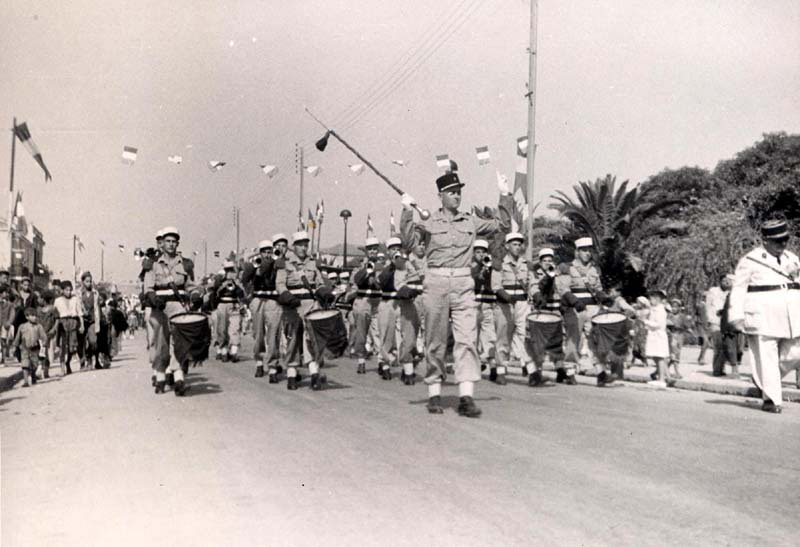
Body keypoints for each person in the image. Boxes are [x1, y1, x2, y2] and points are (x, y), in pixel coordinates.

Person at [400, 169, 512, 417]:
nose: (456, 196)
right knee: (435, 339)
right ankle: (435, 394)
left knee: (466, 340)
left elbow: (502, 225)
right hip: (436, 282)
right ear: (440, 195)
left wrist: (504, 195)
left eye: (459, 192)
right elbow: (408, 243)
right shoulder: (428, 222)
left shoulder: (470, 221)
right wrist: (407, 212)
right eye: (451, 192)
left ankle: (466, 397)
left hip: (463, 283)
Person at [728, 219, 800, 414]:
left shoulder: (792, 258)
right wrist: (736, 316)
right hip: (762, 315)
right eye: (777, 241)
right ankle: (771, 399)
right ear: (765, 240)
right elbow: (738, 289)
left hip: (792, 315)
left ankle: (763, 378)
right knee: (765, 356)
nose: (782, 245)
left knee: (795, 353)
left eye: (785, 240)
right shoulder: (750, 260)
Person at [143, 226, 202, 396]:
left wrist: (196, 294)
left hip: (178, 307)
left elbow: (190, 285)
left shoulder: (184, 263)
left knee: (178, 342)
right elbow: (148, 287)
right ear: (163, 243)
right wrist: (153, 298)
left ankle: (178, 377)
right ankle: (160, 375)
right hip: (159, 307)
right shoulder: (153, 264)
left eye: (173, 241)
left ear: (177, 243)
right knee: (161, 343)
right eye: (167, 241)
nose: (170, 244)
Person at [276, 231, 332, 390]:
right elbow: (280, 284)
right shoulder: (284, 263)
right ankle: (292, 374)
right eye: (300, 245)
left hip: (310, 305)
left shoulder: (312, 263)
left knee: (310, 339)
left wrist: (323, 291)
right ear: (293, 247)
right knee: (293, 339)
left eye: (305, 245)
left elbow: (319, 282)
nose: (303, 248)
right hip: (293, 306)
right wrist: (287, 296)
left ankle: (314, 373)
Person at [530, 247, 578, 385]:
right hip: (542, 311)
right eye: (544, 261)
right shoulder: (535, 273)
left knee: (557, 342)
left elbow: (563, 289)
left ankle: (560, 370)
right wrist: (547, 278)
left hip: (555, 311)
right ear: (540, 262)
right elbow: (535, 288)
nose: (547, 263)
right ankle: (537, 372)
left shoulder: (558, 274)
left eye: (550, 260)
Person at [492, 232, 535, 386]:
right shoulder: (499, 265)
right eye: (514, 244)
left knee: (525, 336)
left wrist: (536, 294)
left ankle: (531, 370)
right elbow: (496, 286)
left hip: (522, 305)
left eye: (519, 244)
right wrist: (507, 297)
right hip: (505, 305)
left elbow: (533, 284)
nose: (517, 247)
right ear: (507, 246)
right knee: (503, 337)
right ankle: (501, 370)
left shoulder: (526, 265)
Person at [376, 237, 421, 384]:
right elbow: (381, 281)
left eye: (398, 248)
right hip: (388, 302)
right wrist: (393, 266)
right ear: (388, 252)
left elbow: (415, 279)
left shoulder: (407, 264)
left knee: (407, 335)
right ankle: (385, 363)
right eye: (392, 249)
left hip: (405, 302)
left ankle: (408, 369)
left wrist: (411, 289)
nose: (396, 251)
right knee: (386, 334)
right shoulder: (383, 265)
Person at [569, 237, 603, 374]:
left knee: (594, 337)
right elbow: (564, 289)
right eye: (584, 251)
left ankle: (596, 367)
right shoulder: (570, 269)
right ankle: (571, 366)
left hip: (592, 308)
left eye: (589, 251)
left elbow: (598, 287)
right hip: (576, 308)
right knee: (574, 337)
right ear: (577, 252)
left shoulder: (594, 270)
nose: (587, 253)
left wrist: (602, 296)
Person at [350, 237, 384, 374]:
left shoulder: (382, 266)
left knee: (380, 332)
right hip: (363, 301)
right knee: (361, 334)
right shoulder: (360, 266)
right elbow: (356, 280)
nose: (373, 251)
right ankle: (361, 360)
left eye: (375, 248)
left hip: (378, 301)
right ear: (366, 251)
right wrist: (367, 270)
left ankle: (382, 362)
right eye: (370, 249)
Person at [471, 240, 498, 381]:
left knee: (489, 335)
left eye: (483, 252)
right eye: (478, 252)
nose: (481, 255)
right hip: (473, 305)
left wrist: (488, 269)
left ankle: (492, 364)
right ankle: (474, 364)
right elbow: (473, 278)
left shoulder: (490, 265)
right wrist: (479, 271)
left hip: (487, 304)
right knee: (472, 336)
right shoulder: (470, 266)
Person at [212, 261, 245, 362]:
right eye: (228, 269)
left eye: (231, 269)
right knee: (222, 329)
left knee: (235, 328)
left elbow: (242, 294)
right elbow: (214, 293)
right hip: (222, 305)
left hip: (234, 305)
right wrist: (221, 284)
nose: (229, 271)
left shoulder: (237, 280)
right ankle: (224, 351)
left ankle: (234, 352)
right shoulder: (219, 278)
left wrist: (235, 284)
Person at [54, 281, 84, 375]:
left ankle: (68, 363)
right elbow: (55, 314)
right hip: (62, 323)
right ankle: (62, 366)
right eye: (66, 290)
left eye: (70, 290)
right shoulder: (58, 300)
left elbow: (80, 313)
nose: (69, 292)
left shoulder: (75, 299)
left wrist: (82, 325)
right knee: (63, 346)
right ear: (62, 290)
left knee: (72, 347)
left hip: (73, 322)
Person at [13, 307, 47, 388]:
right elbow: (18, 337)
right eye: (32, 316)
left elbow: (43, 336)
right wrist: (15, 346)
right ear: (27, 317)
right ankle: (25, 381)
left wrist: (44, 342)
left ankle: (33, 376)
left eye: (35, 316)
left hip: (35, 349)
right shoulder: (22, 327)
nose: (34, 317)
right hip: (24, 348)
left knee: (34, 365)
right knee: (25, 365)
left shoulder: (39, 326)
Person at [705, 274, 732, 376]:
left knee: (725, 346)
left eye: (728, 281)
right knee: (718, 346)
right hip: (715, 321)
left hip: (726, 322)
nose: (726, 282)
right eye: (724, 280)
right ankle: (716, 369)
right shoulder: (713, 291)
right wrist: (709, 319)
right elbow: (708, 306)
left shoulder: (731, 293)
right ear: (720, 281)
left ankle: (721, 368)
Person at [644, 290, 670, 387]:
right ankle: (661, 377)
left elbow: (658, 324)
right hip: (653, 335)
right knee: (655, 356)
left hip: (658, 335)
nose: (650, 300)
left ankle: (662, 379)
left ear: (657, 299)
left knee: (659, 357)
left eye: (651, 298)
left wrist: (645, 322)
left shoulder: (660, 310)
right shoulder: (653, 309)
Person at [78, 271, 103, 370]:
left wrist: (98, 322)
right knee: (82, 342)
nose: (89, 283)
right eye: (87, 281)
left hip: (92, 320)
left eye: (90, 281)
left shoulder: (95, 293)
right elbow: (78, 307)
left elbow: (97, 308)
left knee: (93, 341)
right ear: (83, 282)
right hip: (82, 320)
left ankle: (90, 357)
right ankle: (83, 362)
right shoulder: (79, 293)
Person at [37, 291, 59, 378]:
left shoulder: (53, 309)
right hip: (40, 334)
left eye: (40, 298)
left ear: (44, 299)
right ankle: (40, 370)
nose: (38, 300)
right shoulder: (38, 309)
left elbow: (57, 320)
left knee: (48, 353)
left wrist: (54, 329)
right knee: (41, 352)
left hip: (50, 334)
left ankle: (46, 371)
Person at [0, 287, 15, 364]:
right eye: (5, 292)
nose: (6, 294)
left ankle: (3, 358)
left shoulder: (9, 304)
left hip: (4, 325)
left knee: (3, 342)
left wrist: (9, 322)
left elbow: (12, 314)